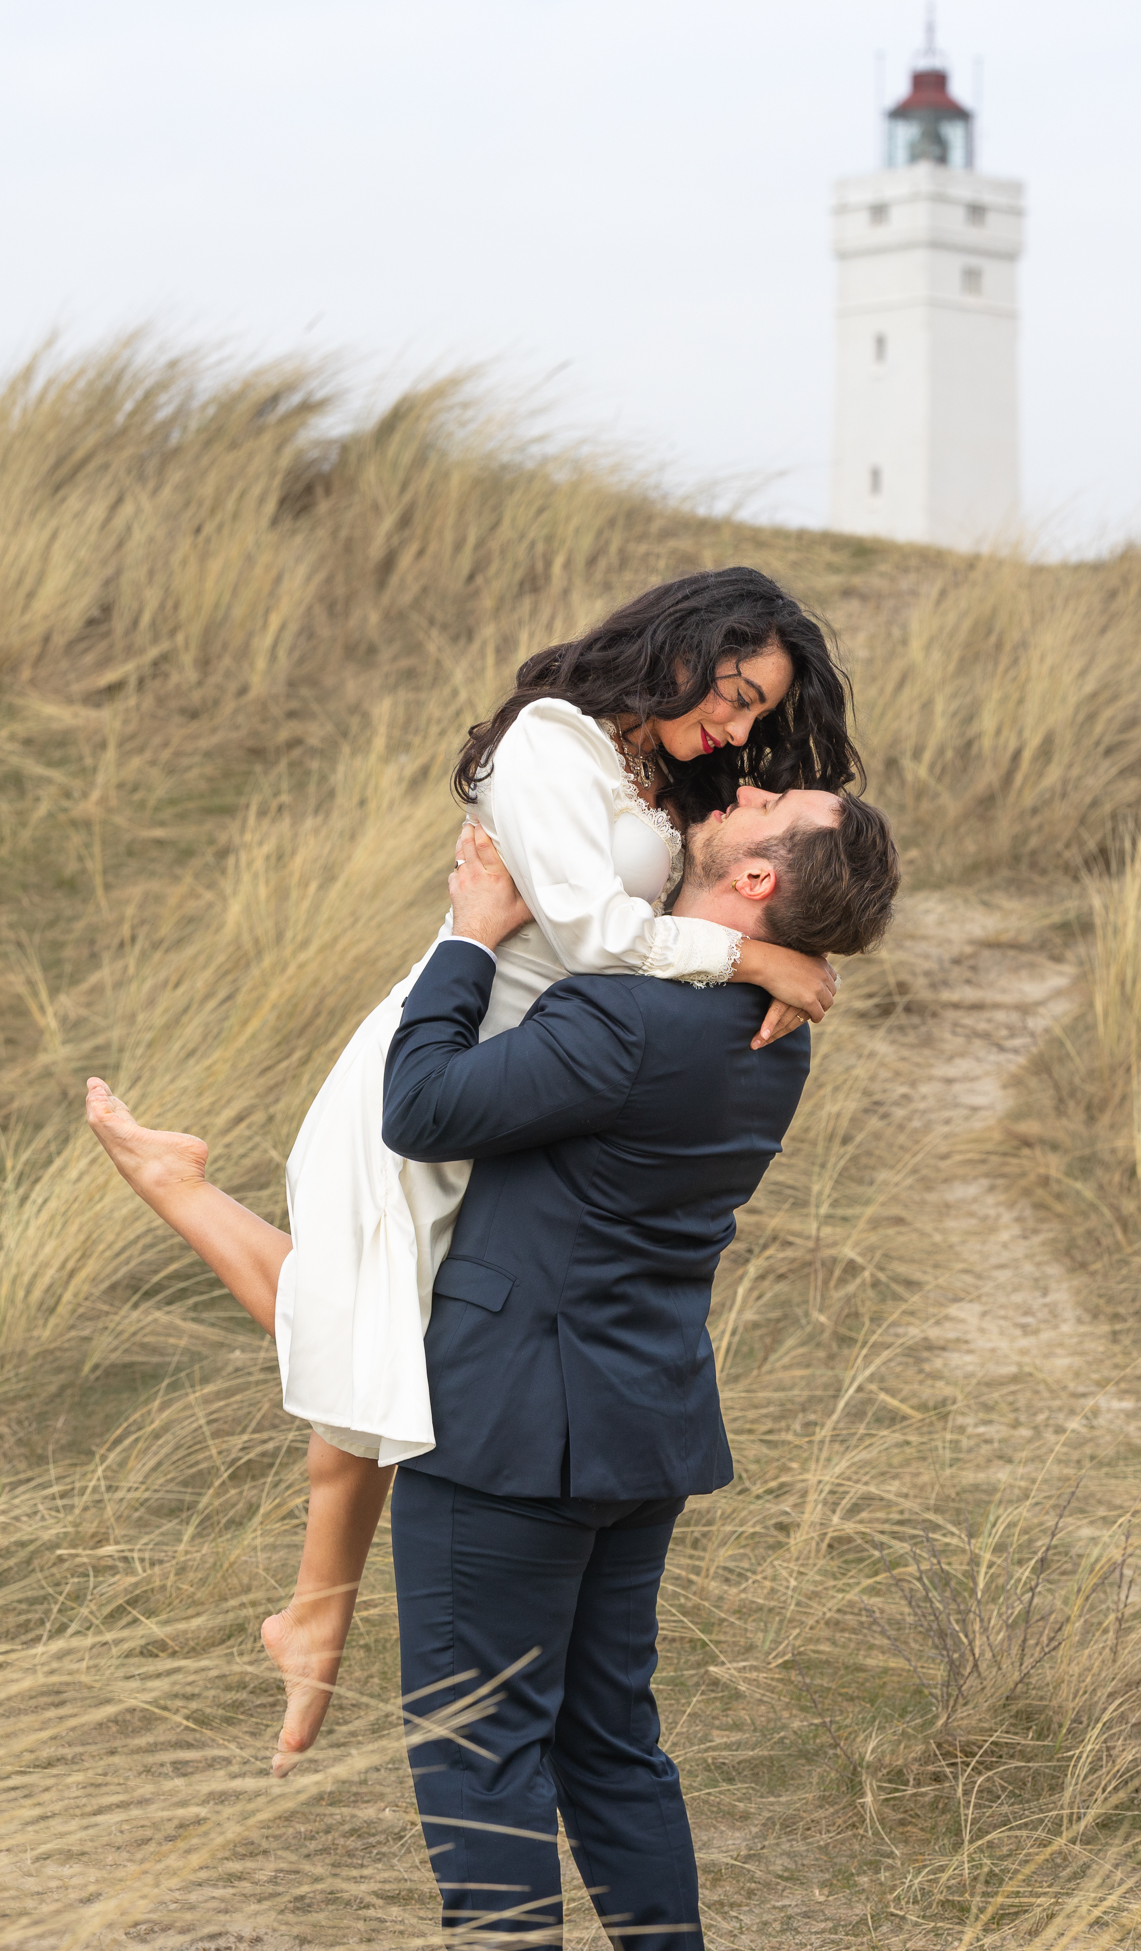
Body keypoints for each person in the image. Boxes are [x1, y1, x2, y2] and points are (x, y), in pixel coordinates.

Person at [83, 566, 863, 1775]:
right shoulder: (551, 741)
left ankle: (312, 1605)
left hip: (536, 1073)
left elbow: (732, 889)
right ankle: (315, 1605)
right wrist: (753, 960)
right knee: (383, 1321)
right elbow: (594, 931)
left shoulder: (657, 770)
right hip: (445, 1053)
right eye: (734, 691)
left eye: (758, 711)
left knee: (400, 1326)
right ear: (680, 645)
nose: (739, 726)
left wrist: (781, 952)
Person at [382, 792, 899, 1946]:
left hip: (513, 1427)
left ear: (758, 880)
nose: (743, 792)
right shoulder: (775, 1027)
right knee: (610, 1741)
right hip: (641, 1424)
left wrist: (470, 936)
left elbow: (419, 1107)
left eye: (769, 803)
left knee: (479, 1747)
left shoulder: (619, 1016)